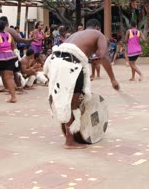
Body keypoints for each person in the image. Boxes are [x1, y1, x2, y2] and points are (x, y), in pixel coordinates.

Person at [43, 19, 119, 149]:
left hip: (55, 63)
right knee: (73, 104)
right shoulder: (98, 35)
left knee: (66, 101)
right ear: (97, 27)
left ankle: (71, 133)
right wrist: (113, 79)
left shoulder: (75, 35)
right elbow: (103, 56)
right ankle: (70, 141)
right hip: (71, 65)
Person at [0, 20, 19, 103]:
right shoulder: (9, 35)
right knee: (9, 78)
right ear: (4, 27)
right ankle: (13, 97)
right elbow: (13, 46)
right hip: (10, 57)